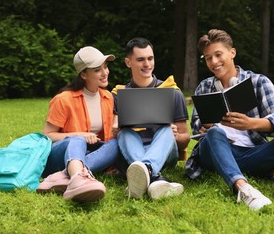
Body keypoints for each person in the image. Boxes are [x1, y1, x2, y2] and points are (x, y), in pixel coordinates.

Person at [189, 29, 274, 211]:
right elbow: (196, 125)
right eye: (208, 58)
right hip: (216, 153)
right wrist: (207, 123)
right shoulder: (204, 87)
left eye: (218, 55)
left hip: (253, 154)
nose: (214, 62)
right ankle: (244, 190)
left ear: (232, 53)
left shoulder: (258, 82)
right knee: (214, 132)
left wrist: (250, 123)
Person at [36, 46, 120, 203]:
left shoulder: (108, 97)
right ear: (83, 74)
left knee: (117, 143)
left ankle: (65, 176)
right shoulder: (63, 99)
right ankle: (77, 177)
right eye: (97, 70)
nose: (105, 73)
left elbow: (105, 138)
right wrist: (78, 134)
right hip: (60, 154)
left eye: (105, 67)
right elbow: (47, 136)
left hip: (88, 153)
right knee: (78, 140)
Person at [112, 37, 190, 199]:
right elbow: (113, 135)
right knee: (124, 133)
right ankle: (154, 178)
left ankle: (145, 172)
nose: (147, 64)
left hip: (165, 153)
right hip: (131, 151)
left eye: (150, 58)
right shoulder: (118, 95)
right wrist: (115, 129)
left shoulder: (172, 92)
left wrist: (173, 135)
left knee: (165, 129)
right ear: (128, 62)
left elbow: (185, 139)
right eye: (140, 60)